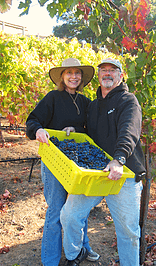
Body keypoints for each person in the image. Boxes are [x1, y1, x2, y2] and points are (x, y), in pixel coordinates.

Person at [60, 58, 146, 266]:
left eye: (112, 70)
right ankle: (74, 255)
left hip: (124, 173)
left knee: (128, 232)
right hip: (96, 174)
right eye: (103, 70)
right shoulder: (94, 105)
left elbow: (129, 132)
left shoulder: (128, 100)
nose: (107, 74)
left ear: (121, 75)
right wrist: (75, 130)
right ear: (98, 76)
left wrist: (118, 159)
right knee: (69, 215)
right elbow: (92, 134)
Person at [26, 58, 100, 266]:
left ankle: (83, 248)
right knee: (56, 211)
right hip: (54, 162)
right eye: (69, 73)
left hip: (78, 163)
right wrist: (38, 130)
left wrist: (77, 131)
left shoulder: (85, 102)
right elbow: (32, 120)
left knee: (79, 210)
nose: (74, 76)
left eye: (77, 73)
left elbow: (90, 131)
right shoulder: (52, 98)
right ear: (62, 76)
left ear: (81, 78)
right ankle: (50, 260)